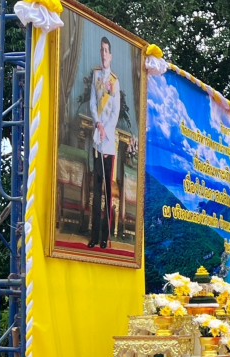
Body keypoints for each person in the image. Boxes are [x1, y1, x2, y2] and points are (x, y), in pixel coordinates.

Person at [88, 36, 120, 249]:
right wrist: (97, 123)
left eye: (106, 50)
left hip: (107, 143)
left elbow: (115, 112)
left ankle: (104, 236)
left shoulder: (115, 81)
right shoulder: (96, 75)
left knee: (107, 192)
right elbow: (93, 102)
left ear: (111, 55)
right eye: (101, 49)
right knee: (96, 189)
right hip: (96, 141)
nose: (103, 53)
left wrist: (104, 130)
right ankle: (94, 235)